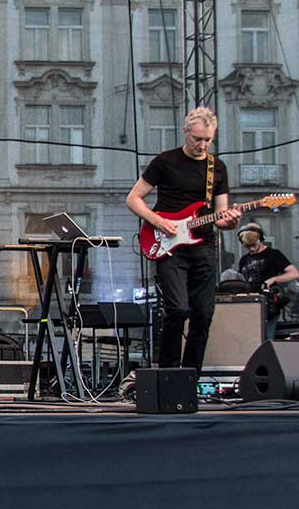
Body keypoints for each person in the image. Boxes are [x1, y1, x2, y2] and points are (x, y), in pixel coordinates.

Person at [126, 107, 241, 370]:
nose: (202, 145)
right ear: (185, 131)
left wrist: (231, 221)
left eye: (208, 140)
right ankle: (168, 371)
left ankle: (190, 374)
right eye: (197, 139)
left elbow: (221, 216)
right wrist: (158, 221)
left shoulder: (216, 167)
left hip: (203, 246)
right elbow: (133, 198)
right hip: (169, 246)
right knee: (177, 309)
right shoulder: (165, 162)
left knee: (204, 314)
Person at [237, 221, 299, 340]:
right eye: (247, 246)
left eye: (253, 245)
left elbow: (294, 273)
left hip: (268, 306)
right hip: (249, 306)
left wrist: (273, 279)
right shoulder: (244, 260)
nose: (251, 249)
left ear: (260, 239)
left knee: (266, 340)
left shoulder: (273, 254)